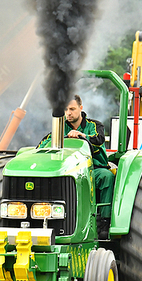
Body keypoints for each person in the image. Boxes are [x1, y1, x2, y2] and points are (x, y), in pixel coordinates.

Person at [39, 95, 115, 239]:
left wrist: (82, 135)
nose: (68, 113)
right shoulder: (59, 128)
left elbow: (98, 139)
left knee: (107, 177)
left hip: (94, 169)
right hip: (68, 171)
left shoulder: (94, 125)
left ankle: (105, 222)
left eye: (72, 109)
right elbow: (43, 145)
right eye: (66, 109)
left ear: (81, 108)